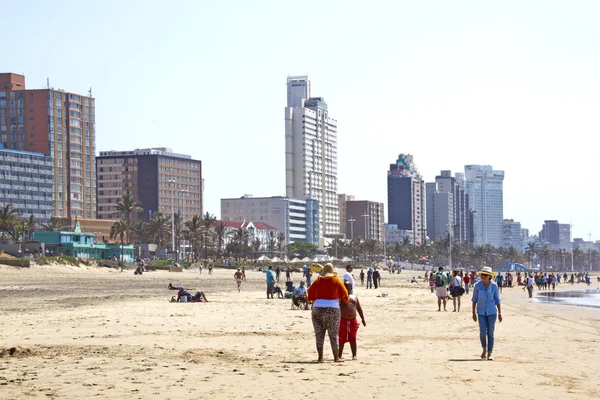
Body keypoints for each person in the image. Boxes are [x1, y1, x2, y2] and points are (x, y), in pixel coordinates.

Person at [307, 263, 349, 362]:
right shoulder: (336, 280)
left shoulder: (318, 280)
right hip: (333, 308)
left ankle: (320, 357)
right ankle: (336, 357)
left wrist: (314, 299)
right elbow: (345, 293)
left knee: (319, 334)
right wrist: (345, 301)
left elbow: (310, 292)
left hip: (317, 308)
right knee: (333, 334)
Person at [472, 266, 502, 361]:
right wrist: (473, 313)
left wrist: (500, 313)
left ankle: (490, 353)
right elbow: (474, 300)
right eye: (482, 274)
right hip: (481, 312)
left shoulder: (494, 286)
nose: (483, 276)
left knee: (490, 333)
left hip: (492, 312)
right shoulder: (477, 286)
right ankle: (484, 349)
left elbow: (497, 300)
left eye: (485, 275)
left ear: (489, 276)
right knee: (482, 332)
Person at [338, 280, 366, 360]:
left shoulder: (354, 297)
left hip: (353, 320)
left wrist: (363, 319)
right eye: (345, 286)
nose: (346, 288)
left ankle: (354, 355)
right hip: (342, 320)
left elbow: (359, 309)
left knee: (353, 338)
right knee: (341, 338)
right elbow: (337, 308)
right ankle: (339, 355)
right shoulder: (340, 297)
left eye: (348, 286)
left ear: (351, 287)